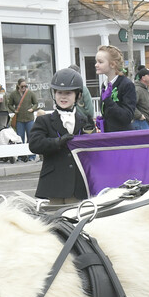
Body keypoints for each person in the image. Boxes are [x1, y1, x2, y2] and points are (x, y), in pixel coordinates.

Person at [29, 67, 95, 204]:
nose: (63, 97)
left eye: (68, 93)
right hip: (55, 183)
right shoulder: (44, 120)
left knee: (77, 220)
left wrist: (91, 133)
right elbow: (34, 145)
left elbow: (92, 151)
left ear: (78, 95)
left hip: (78, 184)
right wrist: (57, 142)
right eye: (59, 92)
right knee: (55, 221)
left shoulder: (85, 120)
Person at [95, 45, 138, 133]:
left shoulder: (127, 84)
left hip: (123, 137)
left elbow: (127, 117)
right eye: (96, 61)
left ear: (112, 64)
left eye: (100, 62)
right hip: (108, 135)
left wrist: (108, 101)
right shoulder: (104, 84)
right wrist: (103, 121)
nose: (96, 65)